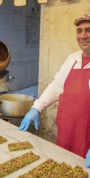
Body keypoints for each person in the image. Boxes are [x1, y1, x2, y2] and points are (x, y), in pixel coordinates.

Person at [19, 14, 90, 168]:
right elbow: (56, 86)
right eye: (79, 31)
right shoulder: (73, 59)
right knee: (62, 174)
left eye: (88, 30)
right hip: (66, 132)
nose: (83, 36)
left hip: (87, 138)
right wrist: (37, 107)